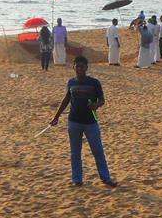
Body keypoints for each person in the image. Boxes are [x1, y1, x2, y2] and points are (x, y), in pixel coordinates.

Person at [49, 55, 118, 188]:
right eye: (77, 66)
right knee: (75, 152)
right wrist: (56, 116)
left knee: (97, 151)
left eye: (82, 66)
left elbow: (102, 100)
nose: (79, 68)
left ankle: (106, 178)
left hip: (91, 122)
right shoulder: (71, 83)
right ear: (73, 67)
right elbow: (66, 100)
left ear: (86, 68)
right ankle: (77, 179)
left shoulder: (94, 83)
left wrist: (96, 105)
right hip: (74, 122)